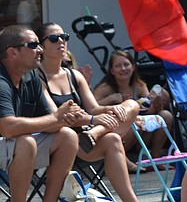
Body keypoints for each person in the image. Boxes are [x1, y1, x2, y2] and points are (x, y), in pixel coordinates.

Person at [35, 23, 140, 201]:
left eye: (64, 37)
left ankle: (132, 200)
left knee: (131, 106)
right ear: (41, 46)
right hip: (59, 142)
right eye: (54, 38)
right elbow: (58, 118)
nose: (61, 41)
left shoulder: (74, 75)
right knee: (104, 134)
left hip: (87, 138)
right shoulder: (37, 76)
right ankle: (94, 132)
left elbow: (94, 109)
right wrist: (94, 119)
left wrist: (109, 109)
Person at [0, 25, 78, 202]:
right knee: (26, 141)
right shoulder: (1, 80)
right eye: (34, 45)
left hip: (11, 145)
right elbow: (7, 127)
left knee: (67, 136)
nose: (40, 49)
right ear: (12, 53)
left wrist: (67, 116)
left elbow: (51, 121)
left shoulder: (31, 76)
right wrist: (55, 118)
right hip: (9, 141)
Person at [93, 50, 173, 160]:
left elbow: (149, 110)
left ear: (133, 67)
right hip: (119, 132)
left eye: (126, 64)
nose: (123, 69)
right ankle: (121, 158)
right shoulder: (105, 88)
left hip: (141, 132)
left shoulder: (139, 86)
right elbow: (91, 107)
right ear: (112, 71)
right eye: (118, 66)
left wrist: (157, 102)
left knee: (166, 115)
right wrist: (110, 99)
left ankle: (155, 156)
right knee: (132, 121)